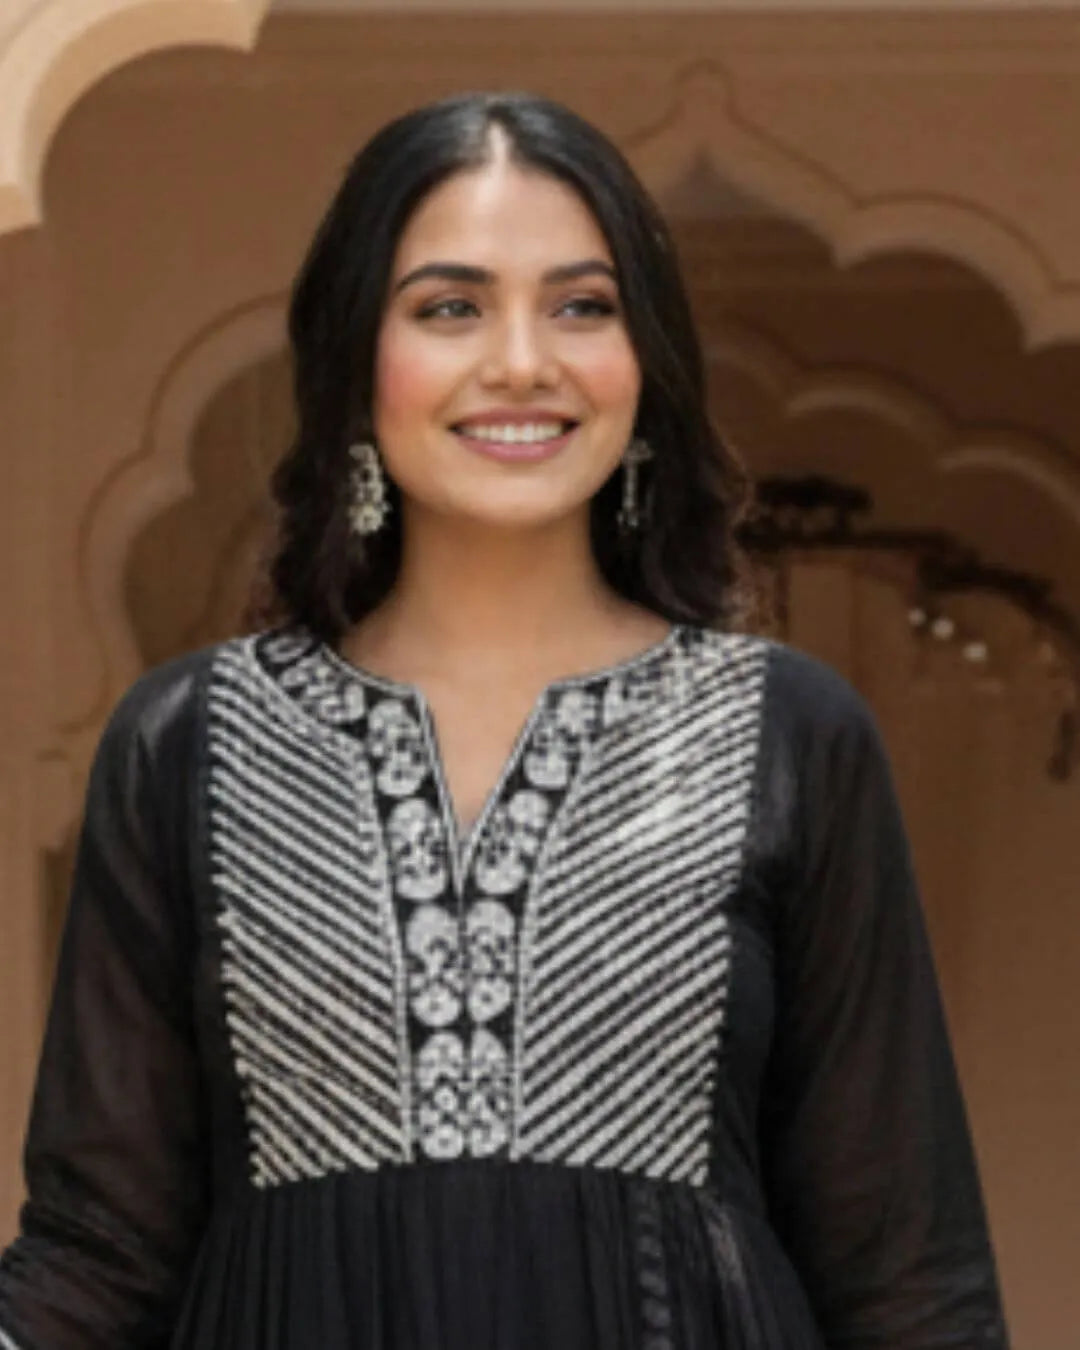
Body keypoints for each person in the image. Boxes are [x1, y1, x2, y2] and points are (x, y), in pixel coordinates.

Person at [0, 91, 1009, 1349]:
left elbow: (908, 1277)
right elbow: (98, 1256)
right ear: (356, 360)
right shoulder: (192, 743)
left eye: (583, 306)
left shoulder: (786, 737)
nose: (523, 361)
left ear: (646, 359)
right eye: (450, 307)